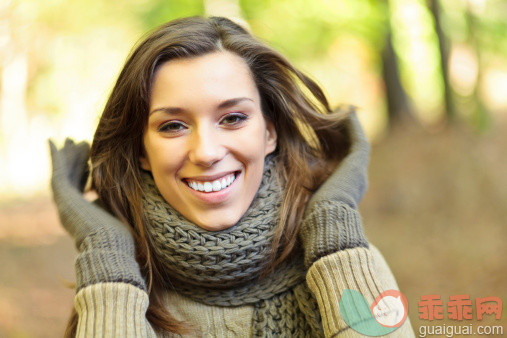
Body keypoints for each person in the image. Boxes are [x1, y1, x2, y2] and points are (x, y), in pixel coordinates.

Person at [50, 16, 414, 337]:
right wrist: (106, 249)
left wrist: (332, 225)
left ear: (269, 132)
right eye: (173, 126)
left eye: (233, 118)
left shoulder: (341, 254)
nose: (206, 152)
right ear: (142, 151)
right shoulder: (118, 282)